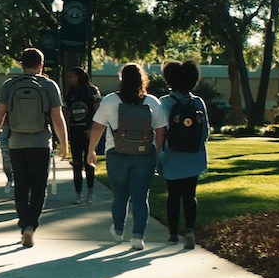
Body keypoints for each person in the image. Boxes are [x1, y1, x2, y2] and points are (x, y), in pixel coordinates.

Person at [0, 48, 68, 248]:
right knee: (38, 187)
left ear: (21, 64)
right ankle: (31, 225)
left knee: (21, 186)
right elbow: (57, 117)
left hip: (16, 143)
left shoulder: (10, 85)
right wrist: (64, 142)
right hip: (40, 143)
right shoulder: (49, 85)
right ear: (41, 65)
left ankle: (23, 226)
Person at [87, 63, 167, 251]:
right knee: (140, 198)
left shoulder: (110, 100)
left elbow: (98, 126)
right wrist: (155, 152)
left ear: (122, 79)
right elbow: (161, 130)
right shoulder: (152, 102)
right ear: (143, 79)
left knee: (120, 196)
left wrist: (91, 150)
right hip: (144, 155)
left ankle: (118, 230)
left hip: (116, 154)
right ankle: (138, 237)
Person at [159, 60, 209, 249]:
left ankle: (172, 234)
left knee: (173, 195)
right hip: (194, 157)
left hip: (172, 156)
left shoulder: (165, 102)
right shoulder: (197, 102)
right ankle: (190, 230)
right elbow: (205, 132)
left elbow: (161, 131)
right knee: (190, 195)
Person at [63, 67, 102, 204]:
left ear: (79, 76)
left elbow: (98, 110)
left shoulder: (92, 91)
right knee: (77, 163)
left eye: (72, 76)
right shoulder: (71, 92)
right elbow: (68, 111)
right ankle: (78, 194)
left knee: (89, 162)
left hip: (88, 130)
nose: (70, 79)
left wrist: (93, 127)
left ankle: (90, 192)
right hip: (75, 131)